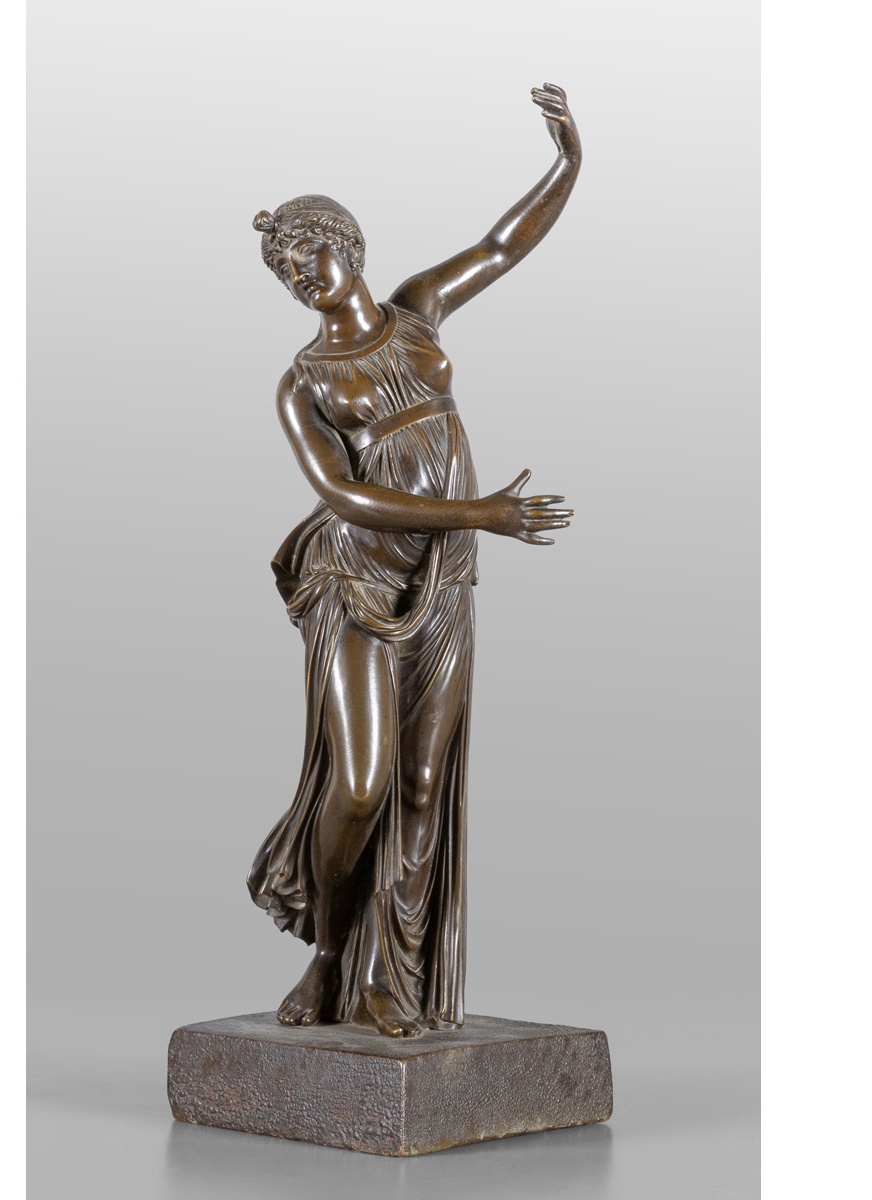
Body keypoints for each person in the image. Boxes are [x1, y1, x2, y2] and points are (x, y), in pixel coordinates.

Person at [246, 84, 581, 1037]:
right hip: (355, 580)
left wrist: (566, 163)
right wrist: (483, 512)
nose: (297, 276)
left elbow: (502, 247)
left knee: (424, 783)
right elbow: (346, 496)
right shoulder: (303, 383)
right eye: (281, 271)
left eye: (304, 254)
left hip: (444, 579)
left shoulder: (419, 313)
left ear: (346, 246)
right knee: (361, 784)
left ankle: (387, 977)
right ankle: (325, 956)